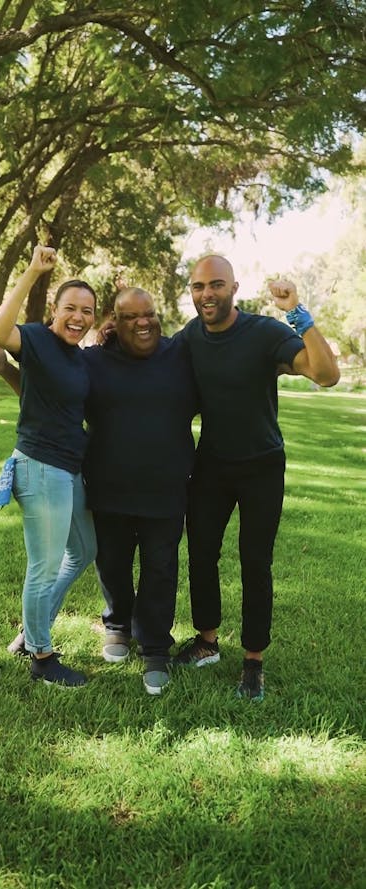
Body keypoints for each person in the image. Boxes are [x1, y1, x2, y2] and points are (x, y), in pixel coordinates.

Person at [0, 286, 200, 695]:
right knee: (75, 564)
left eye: (148, 313)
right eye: (70, 308)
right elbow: (31, 374)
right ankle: (72, 645)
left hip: (120, 481)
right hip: (72, 477)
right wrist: (7, 368)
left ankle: (143, 648)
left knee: (118, 559)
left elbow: (53, 398)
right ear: (113, 324)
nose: (142, 322)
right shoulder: (69, 352)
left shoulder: (160, 355)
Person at [174, 254, 340, 701]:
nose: (206, 294)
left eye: (216, 285)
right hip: (210, 464)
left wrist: (298, 315)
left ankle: (252, 661)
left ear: (234, 288)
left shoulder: (265, 332)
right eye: (198, 286)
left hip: (262, 466)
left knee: (255, 562)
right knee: (201, 554)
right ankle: (207, 642)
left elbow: (327, 375)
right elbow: (151, 366)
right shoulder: (190, 336)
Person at [0, 245, 97, 688]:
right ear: (54, 309)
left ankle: (30, 634)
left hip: (70, 468)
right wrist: (33, 270)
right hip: (39, 466)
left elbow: (38, 397)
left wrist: (6, 375)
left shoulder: (77, 356)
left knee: (84, 550)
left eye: (87, 311)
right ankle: (42, 656)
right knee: (44, 566)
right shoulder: (34, 337)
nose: (78, 317)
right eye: (70, 308)